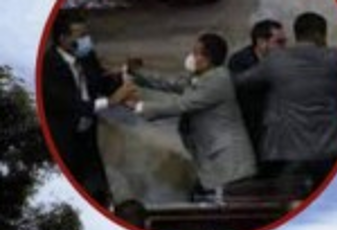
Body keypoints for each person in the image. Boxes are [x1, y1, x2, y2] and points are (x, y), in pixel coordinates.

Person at [235, 11, 337, 191]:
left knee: (288, 200)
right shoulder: (335, 59)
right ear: (320, 34)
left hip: (285, 151)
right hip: (328, 149)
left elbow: (241, 82)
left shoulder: (276, 60)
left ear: (296, 33)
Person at [126, 33, 256, 199]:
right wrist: (138, 73)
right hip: (217, 160)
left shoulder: (218, 79)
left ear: (208, 58)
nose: (191, 57)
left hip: (230, 162)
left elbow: (183, 104)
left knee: (224, 206)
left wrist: (140, 106)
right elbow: (171, 82)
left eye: (195, 53)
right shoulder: (202, 77)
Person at [40, 9, 137, 206]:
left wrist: (122, 78)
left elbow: (99, 81)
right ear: (63, 39)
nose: (87, 40)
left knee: (99, 192)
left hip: (88, 139)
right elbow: (73, 105)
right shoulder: (48, 67)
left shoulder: (86, 55)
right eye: (81, 35)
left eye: (86, 34)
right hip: (64, 144)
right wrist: (111, 101)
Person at [227, 18, 286, 155]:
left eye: (284, 42)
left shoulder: (281, 60)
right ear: (261, 42)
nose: (284, 47)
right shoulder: (240, 61)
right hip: (250, 128)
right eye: (279, 42)